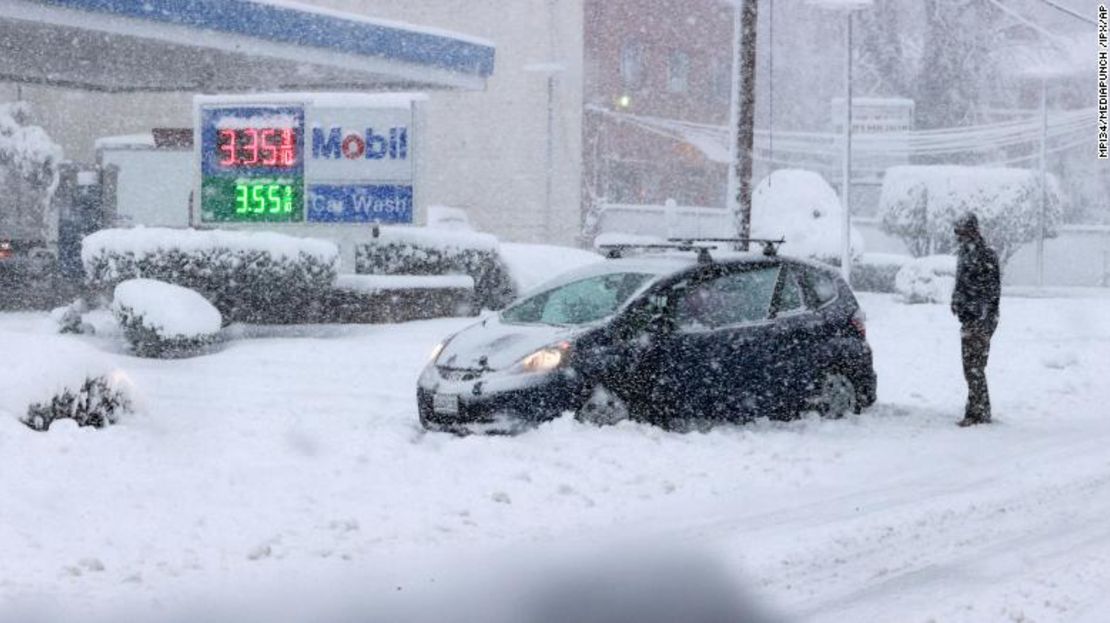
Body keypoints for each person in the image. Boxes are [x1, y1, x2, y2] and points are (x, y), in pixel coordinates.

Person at [950, 212, 1001, 427]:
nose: (959, 237)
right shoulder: (964, 252)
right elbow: (961, 282)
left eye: (962, 232)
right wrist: (956, 300)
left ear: (973, 231)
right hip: (969, 318)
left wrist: (981, 316)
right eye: (957, 233)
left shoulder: (986, 255)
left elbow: (992, 290)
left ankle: (976, 412)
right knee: (971, 366)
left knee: (974, 366)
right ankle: (980, 409)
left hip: (981, 319)